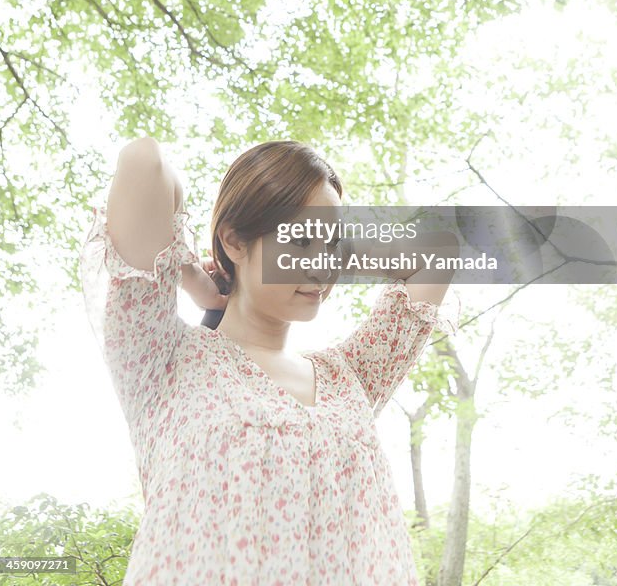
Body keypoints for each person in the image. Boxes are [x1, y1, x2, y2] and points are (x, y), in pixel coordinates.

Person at [79, 136, 460, 586]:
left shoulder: (352, 376)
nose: (322, 267)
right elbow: (145, 162)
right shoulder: (163, 359)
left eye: (331, 246)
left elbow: (438, 251)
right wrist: (193, 276)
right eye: (300, 240)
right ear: (235, 241)